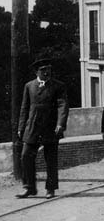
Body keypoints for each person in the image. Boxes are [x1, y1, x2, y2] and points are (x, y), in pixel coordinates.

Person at [16, 57, 69, 199]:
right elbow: (24, 108)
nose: (47, 72)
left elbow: (62, 105)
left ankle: (50, 188)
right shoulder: (29, 86)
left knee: (50, 159)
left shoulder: (58, 86)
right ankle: (29, 187)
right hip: (32, 127)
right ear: (36, 72)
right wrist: (21, 127)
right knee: (25, 156)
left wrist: (60, 124)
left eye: (49, 69)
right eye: (43, 70)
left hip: (50, 127)